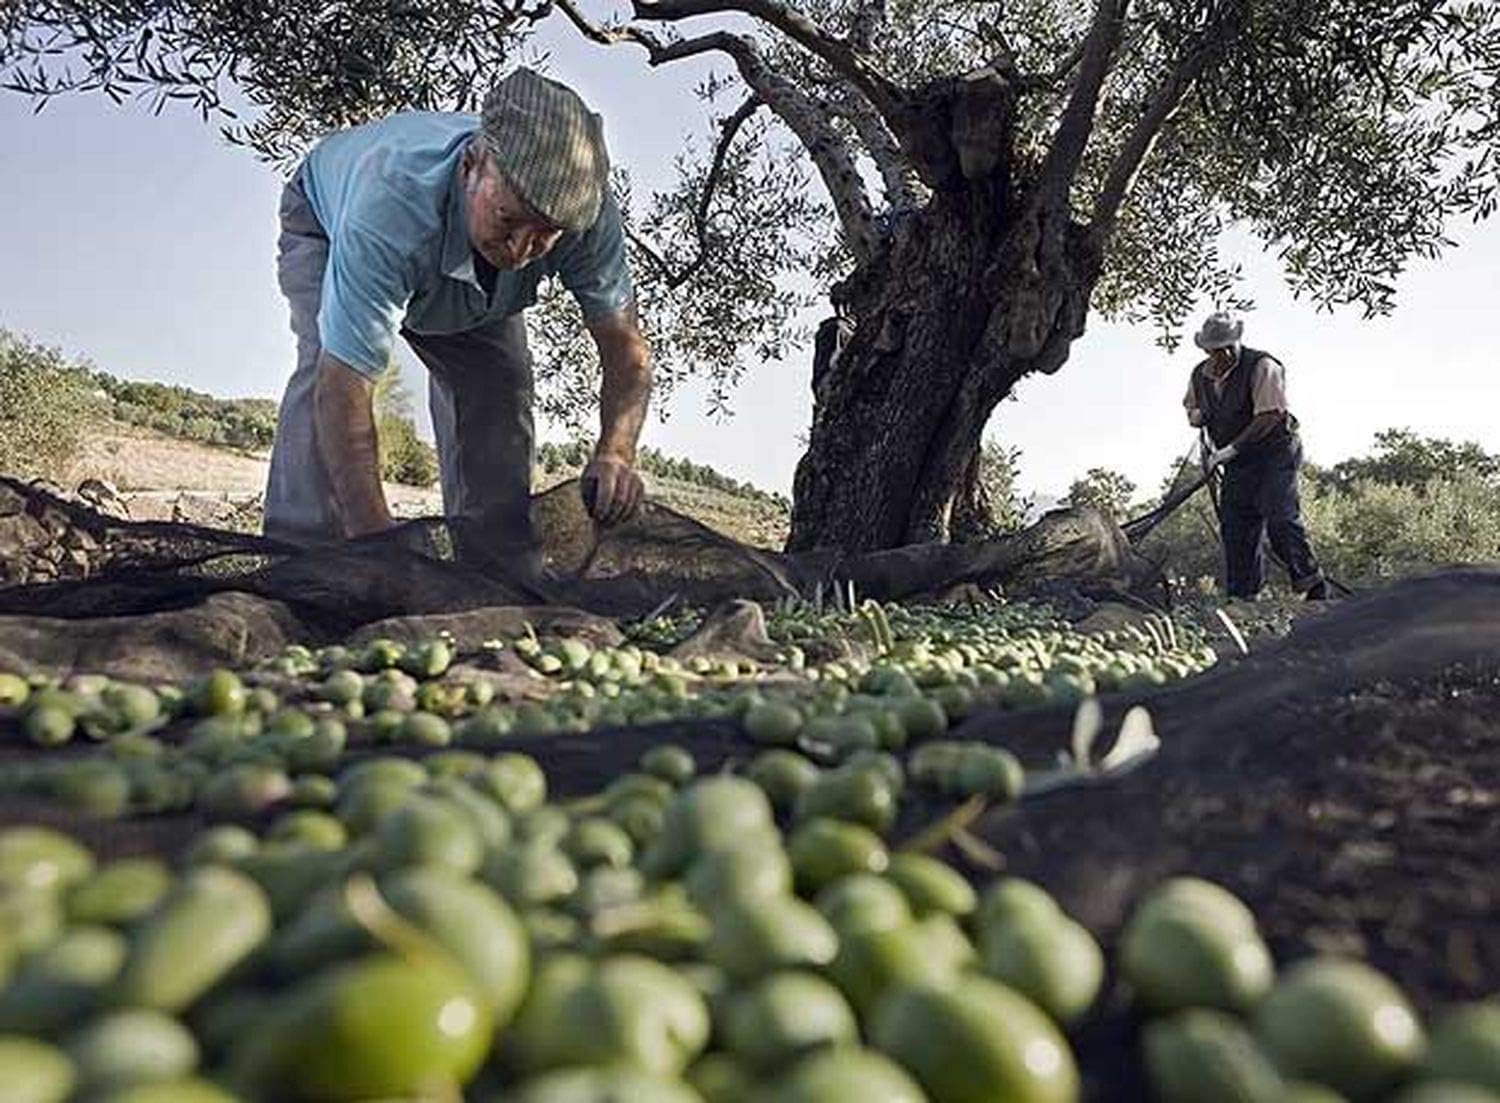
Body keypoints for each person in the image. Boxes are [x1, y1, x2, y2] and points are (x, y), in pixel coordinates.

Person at [264, 68, 651, 581]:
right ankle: (305, 567)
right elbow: (344, 388)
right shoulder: (390, 205)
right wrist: (384, 551)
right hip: (327, 224)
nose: (520, 250)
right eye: (508, 219)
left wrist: (617, 451)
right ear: (472, 165)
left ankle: (494, 573)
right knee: (323, 365)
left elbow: (625, 350)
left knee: (501, 384)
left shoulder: (585, 218)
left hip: (468, 282)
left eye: (544, 235)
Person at [1184, 311, 1329, 601]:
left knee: (1280, 518)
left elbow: (1269, 416)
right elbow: (1192, 407)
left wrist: (1229, 450)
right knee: (1236, 526)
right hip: (1238, 462)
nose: (1221, 353)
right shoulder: (1200, 374)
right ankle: (1243, 599)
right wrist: (1198, 416)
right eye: (1215, 349)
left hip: (1274, 453)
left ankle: (1313, 586)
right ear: (1206, 349)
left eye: (1226, 346)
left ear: (1235, 342)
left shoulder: (1262, 366)